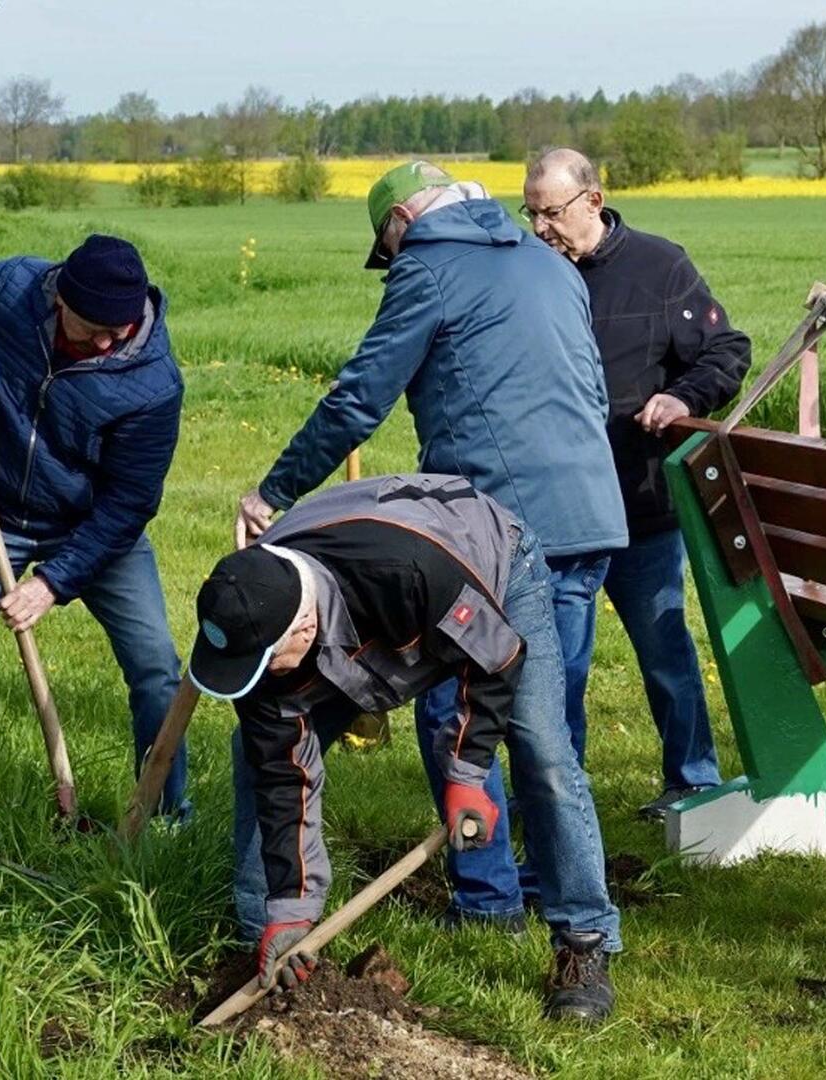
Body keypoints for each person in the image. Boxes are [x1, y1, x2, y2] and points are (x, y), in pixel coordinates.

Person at [235, 162, 626, 929]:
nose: (394, 259)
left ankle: (488, 901)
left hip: (492, 538)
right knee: (547, 726)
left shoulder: (428, 268)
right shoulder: (549, 262)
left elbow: (362, 395)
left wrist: (274, 491)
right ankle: (559, 889)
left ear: (402, 222)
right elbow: (591, 391)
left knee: (455, 713)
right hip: (589, 514)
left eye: (388, 244)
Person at [196, 475, 618, 1022]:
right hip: (377, 602)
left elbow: (493, 662)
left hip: (489, 564)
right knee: (255, 753)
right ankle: (269, 939)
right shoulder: (254, 615)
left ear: (303, 626)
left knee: (543, 752)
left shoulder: (410, 574)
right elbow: (285, 778)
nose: (255, 679)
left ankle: (584, 941)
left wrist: (467, 774)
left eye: (264, 664)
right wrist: (294, 906)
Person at [0, 234, 188, 818]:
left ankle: (165, 817)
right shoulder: (13, 289)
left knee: (157, 667)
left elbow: (128, 505)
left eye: (120, 330)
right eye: (94, 327)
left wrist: (54, 582)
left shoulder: (153, 383)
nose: (107, 341)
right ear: (60, 300)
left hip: (94, 526)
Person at [523, 148, 752, 817]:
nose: (539, 229)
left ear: (594, 200)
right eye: (530, 213)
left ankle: (694, 783)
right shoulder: (530, 273)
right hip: (558, 512)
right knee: (559, 667)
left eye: (551, 213)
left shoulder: (659, 267)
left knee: (665, 653)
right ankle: (562, 801)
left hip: (640, 507)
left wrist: (683, 397)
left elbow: (725, 350)